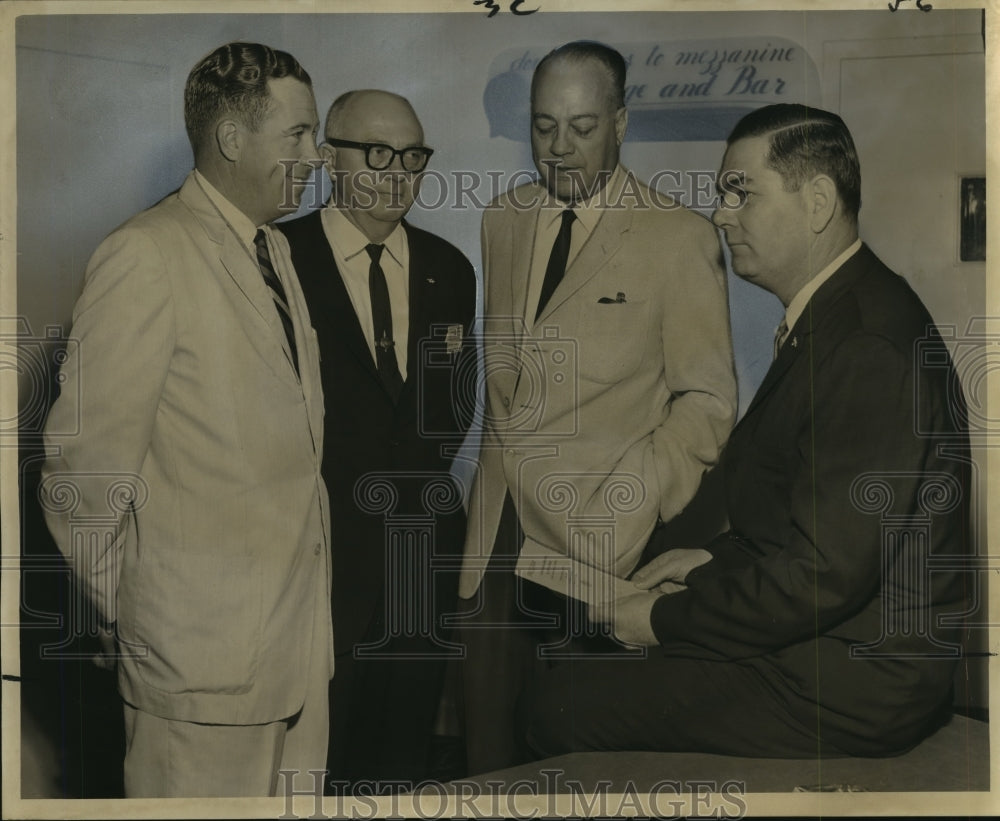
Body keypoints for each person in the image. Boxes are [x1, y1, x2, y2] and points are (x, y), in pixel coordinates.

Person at [525, 103, 972, 759]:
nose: (720, 214)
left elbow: (822, 574)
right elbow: (816, 526)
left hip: (854, 678)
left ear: (817, 202)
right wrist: (710, 561)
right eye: (719, 195)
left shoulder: (865, 343)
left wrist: (660, 618)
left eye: (741, 193)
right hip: (843, 645)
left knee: (554, 705)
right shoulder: (845, 309)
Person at [39, 42, 332, 797]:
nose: (317, 153)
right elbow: (82, 477)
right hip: (197, 676)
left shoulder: (276, 251)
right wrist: (144, 621)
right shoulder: (145, 255)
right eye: (297, 135)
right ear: (233, 141)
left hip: (296, 661)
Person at [457, 40, 738, 774]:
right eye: (543, 125)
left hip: (602, 549)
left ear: (620, 122)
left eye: (582, 128)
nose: (560, 148)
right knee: (489, 760)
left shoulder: (679, 236)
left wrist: (632, 500)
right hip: (495, 542)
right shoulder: (502, 219)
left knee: (581, 761)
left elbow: (708, 401)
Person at [275, 90, 476, 789]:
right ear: (329, 156)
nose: (399, 174)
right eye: (378, 154)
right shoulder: (274, 259)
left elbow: (449, 409)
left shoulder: (449, 267)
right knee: (311, 773)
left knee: (398, 768)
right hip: (315, 566)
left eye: (414, 157)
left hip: (421, 563)